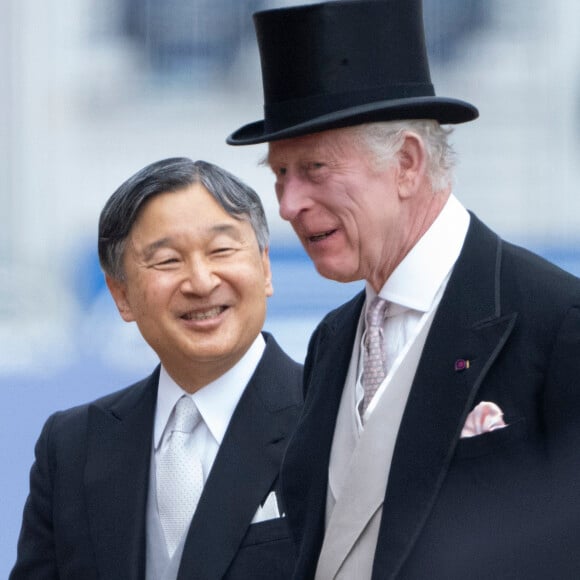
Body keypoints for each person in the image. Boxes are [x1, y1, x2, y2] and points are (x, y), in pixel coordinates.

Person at [227, 1, 580, 578]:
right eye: (280, 175)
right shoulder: (333, 340)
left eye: (315, 169)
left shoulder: (557, 319)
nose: (288, 205)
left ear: (408, 163)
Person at [10, 158, 303, 580]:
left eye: (221, 250)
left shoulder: (330, 415)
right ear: (121, 294)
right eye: (167, 261)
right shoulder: (73, 447)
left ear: (265, 267)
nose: (201, 282)